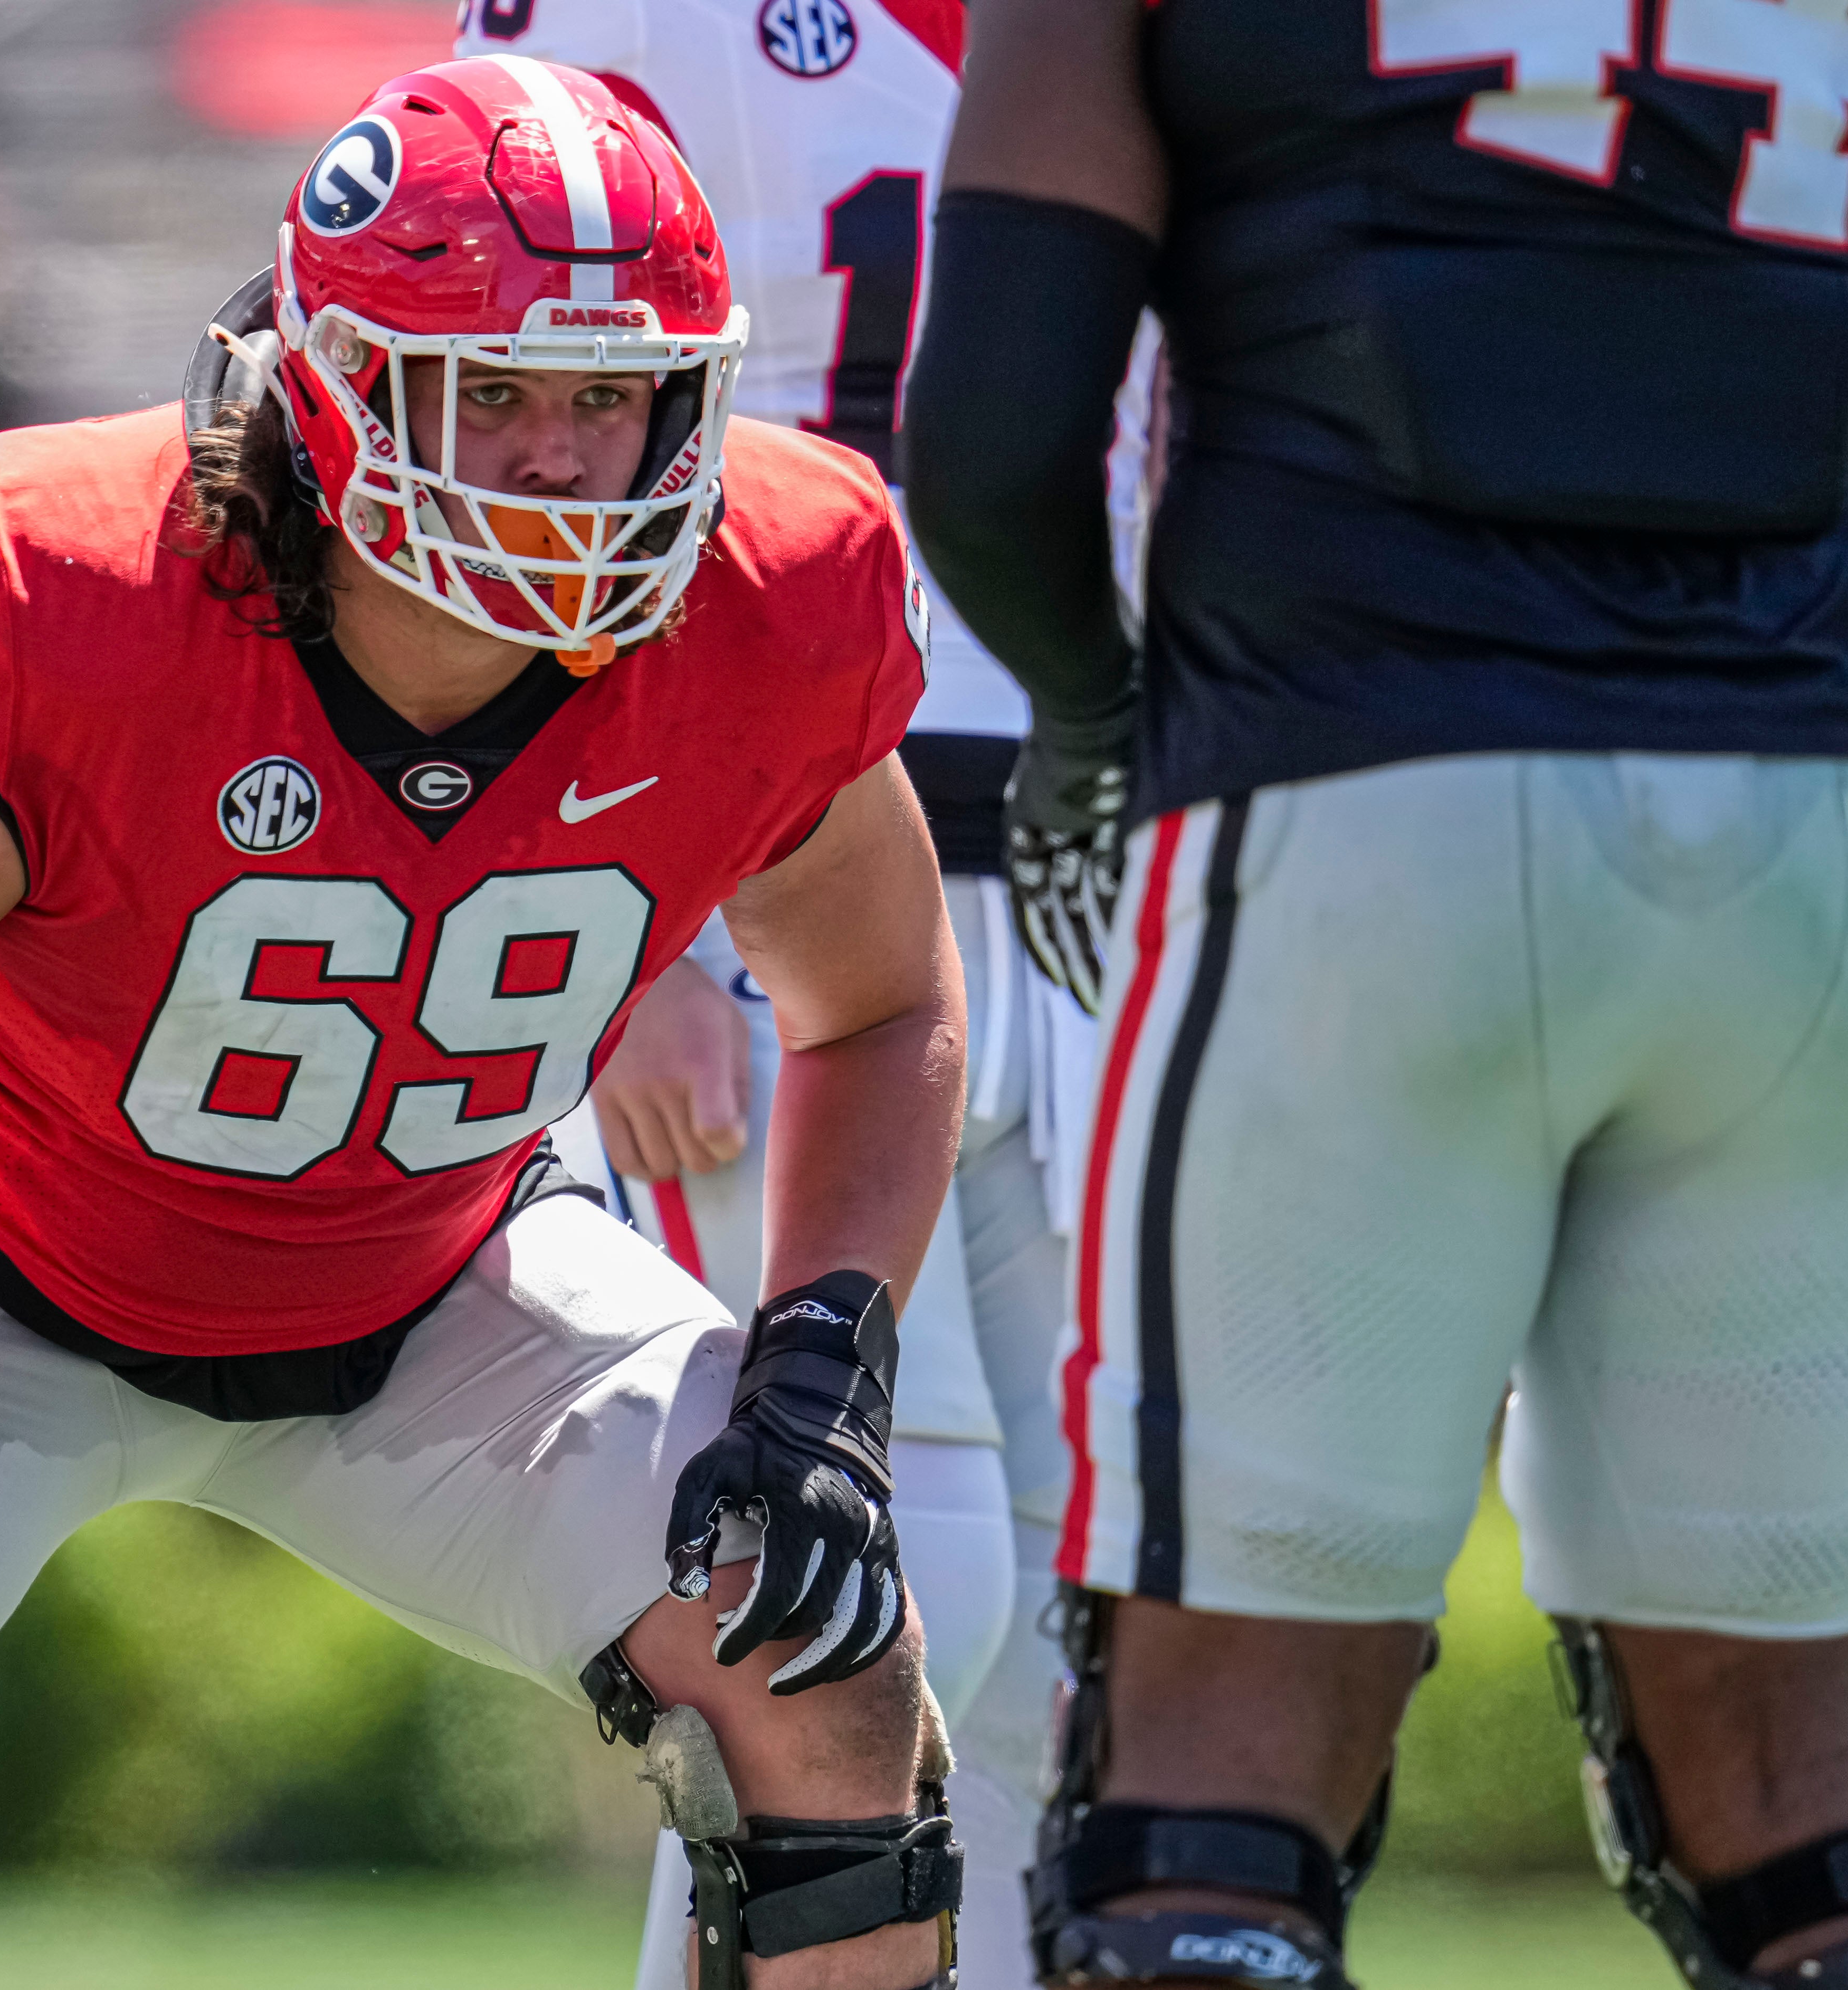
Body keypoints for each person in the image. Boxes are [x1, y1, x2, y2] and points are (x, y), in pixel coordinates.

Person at [0, 57, 980, 1990]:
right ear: (339, 388)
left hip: (427, 1261)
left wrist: (818, 1380)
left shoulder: (772, 590)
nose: (560, 462)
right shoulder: (79, 591)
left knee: (828, 1654)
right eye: (497, 395)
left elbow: (879, 1004)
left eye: (609, 397)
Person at [903, 3, 1848, 1987]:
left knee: (1205, 1806)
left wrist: (1089, 710)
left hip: (1354, 786)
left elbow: (989, 434)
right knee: (1821, 1801)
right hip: (1825, 841)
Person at [452, 5, 1144, 1985]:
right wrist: (645, 933)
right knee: (843, 1590)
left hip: (1088, 844)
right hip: (777, 851)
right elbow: (513, 422)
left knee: (1072, 1612)